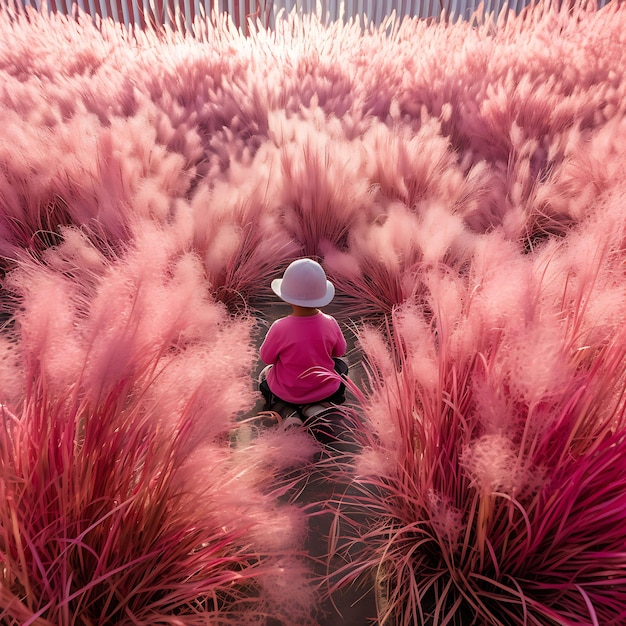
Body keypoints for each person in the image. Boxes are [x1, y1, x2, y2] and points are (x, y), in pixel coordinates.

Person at [259, 258, 348, 416]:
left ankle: (288, 413)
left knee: (265, 374)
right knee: (341, 366)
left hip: (288, 392)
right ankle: (316, 411)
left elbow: (267, 358)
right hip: (324, 390)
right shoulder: (330, 323)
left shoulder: (279, 327)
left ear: (287, 296)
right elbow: (339, 352)